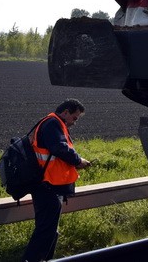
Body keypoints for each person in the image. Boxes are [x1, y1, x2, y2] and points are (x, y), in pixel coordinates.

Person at [23, 98, 93, 262]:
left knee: (49, 230)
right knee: (46, 230)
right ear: (66, 112)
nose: (74, 123)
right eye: (74, 118)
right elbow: (60, 148)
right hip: (47, 186)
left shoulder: (51, 122)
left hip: (47, 185)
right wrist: (78, 161)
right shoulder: (53, 124)